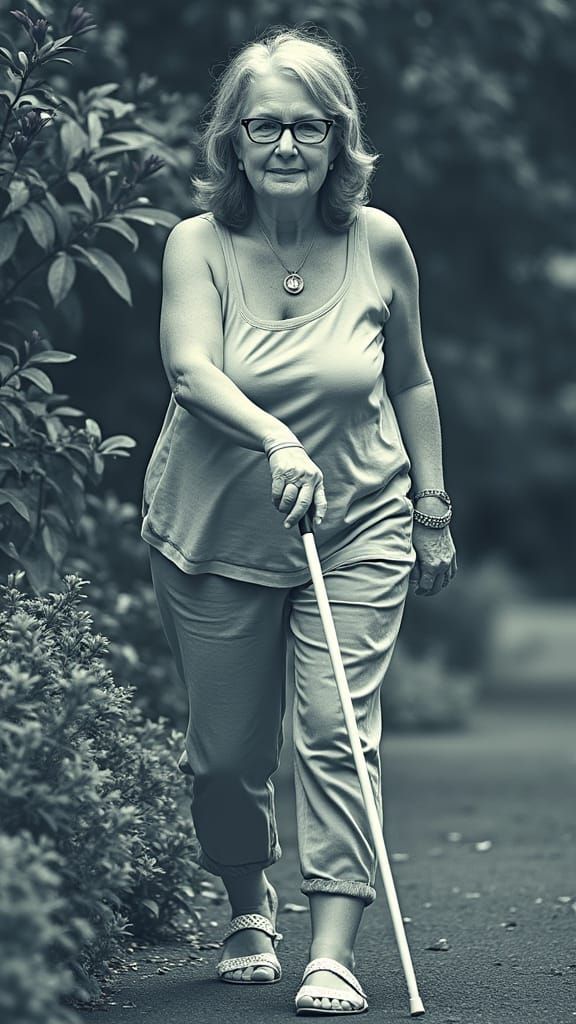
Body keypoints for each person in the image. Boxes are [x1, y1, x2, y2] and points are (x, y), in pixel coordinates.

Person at [140, 25, 457, 1017]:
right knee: (227, 757)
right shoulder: (199, 245)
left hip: (359, 521)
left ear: (338, 137)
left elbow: (412, 379)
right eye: (264, 126)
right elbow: (190, 369)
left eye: (308, 127)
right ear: (233, 139)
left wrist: (431, 506)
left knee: (336, 734)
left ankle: (332, 948)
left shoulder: (379, 241)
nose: (285, 145)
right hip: (215, 530)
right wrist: (278, 440)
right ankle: (248, 906)